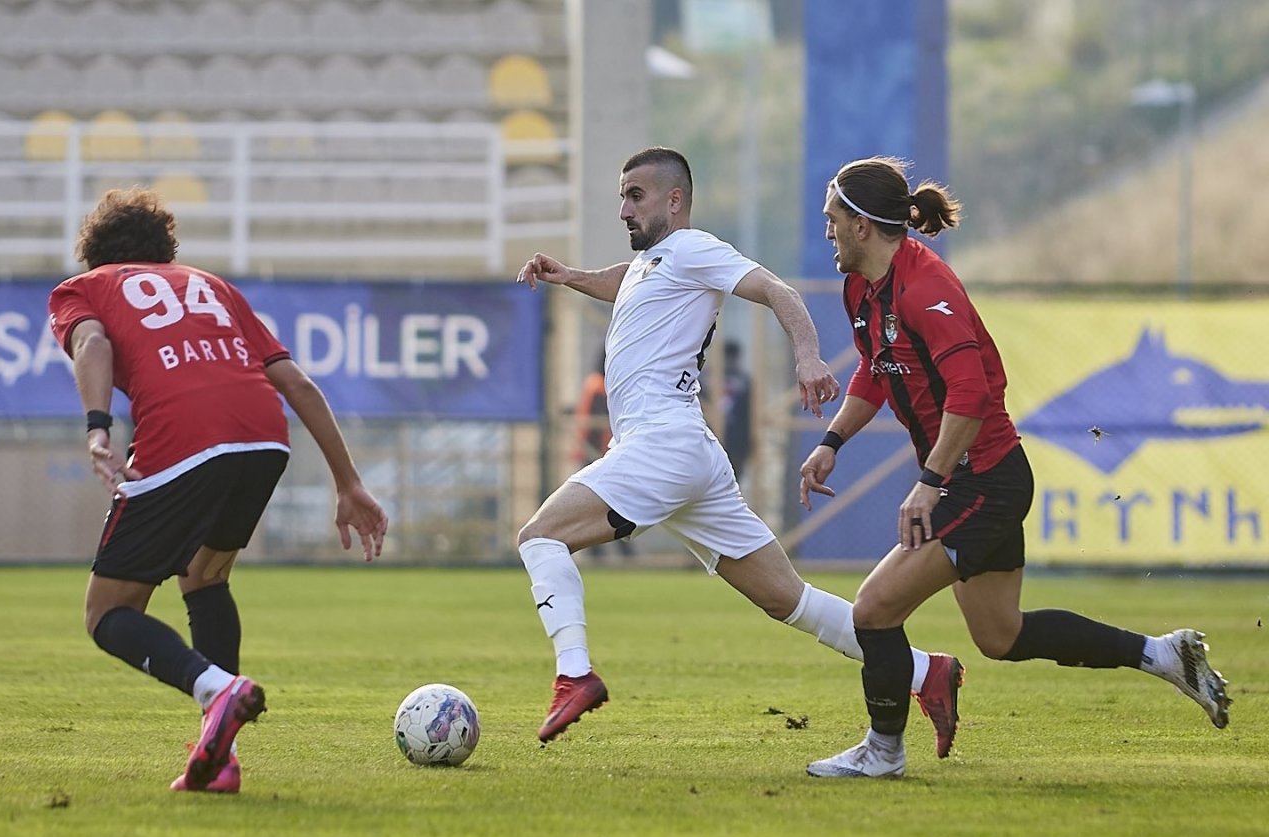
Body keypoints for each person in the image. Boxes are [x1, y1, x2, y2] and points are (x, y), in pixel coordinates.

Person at [516, 146, 964, 752]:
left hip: (662, 446)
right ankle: (924, 671)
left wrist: (807, 355)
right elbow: (624, 281)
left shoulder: (694, 248)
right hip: (689, 455)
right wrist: (570, 277)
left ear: (675, 201)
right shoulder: (656, 263)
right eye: (621, 196)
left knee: (540, 537)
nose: (623, 208)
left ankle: (574, 673)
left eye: (635, 195)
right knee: (790, 600)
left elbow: (777, 290)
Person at [798, 156, 1231, 779]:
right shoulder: (861, 286)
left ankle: (883, 752)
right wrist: (833, 439)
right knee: (1000, 636)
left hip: (982, 481)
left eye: (832, 219)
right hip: (974, 479)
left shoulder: (926, 286)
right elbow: (876, 367)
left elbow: (971, 396)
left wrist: (930, 483)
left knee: (872, 610)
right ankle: (1163, 655)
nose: (828, 231)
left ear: (863, 226)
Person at [48, 187, 388, 794]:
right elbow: (297, 383)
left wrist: (98, 430)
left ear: (95, 255)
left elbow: (93, 345)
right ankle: (221, 757)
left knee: (108, 614)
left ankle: (218, 690)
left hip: (186, 439)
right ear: (164, 248)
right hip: (264, 438)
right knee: (204, 577)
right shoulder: (211, 286)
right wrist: (349, 481)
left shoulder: (87, 289)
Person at [572, 349, 632, 558]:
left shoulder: (592, 383)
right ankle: (622, 553)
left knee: (600, 506)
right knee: (615, 504)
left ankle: (602, 552)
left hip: (592, 453)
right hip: (599, 454)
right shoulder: (601, 387)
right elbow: (597, 424)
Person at [719, 339, 752, 482]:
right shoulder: (705, 379)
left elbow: (749, 412)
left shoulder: (744, 380)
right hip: (717, 433)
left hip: (736, 438)